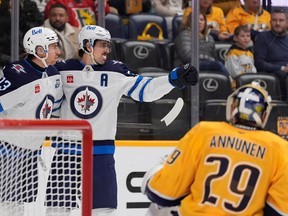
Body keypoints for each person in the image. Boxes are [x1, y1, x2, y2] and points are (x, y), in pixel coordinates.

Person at [55, 25, 198, 215]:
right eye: (102, 45)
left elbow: (145, 90)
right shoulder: (63, 70)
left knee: (103, 211)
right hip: (67, 152)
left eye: (108, 45)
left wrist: (172, 79)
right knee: (57, 210)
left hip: (101, 152)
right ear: (88, 45)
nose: (107, 49)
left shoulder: (115, 71)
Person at [142, 82, 288, 216]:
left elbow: (162, 194)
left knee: (155, 209)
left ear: (232, 107)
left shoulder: (205, 131)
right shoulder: (280, 147)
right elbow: (279, 212)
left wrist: (152, 178)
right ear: (264, 114)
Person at [0, 26, 62, 119]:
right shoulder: (16, 75)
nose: (58, 52)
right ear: (40, 50)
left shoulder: (53, 73)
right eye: (54, 47)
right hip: (14, 133)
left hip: (39, 132)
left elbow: (54, 108)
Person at [174, 11, 229, 76]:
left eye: (202, 20)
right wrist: (209, 60)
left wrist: (210, 60)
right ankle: (231, 83)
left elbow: (214, 57)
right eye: (196, 19)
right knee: (218, 65)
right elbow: (188, 57)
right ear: (190, 22)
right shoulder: (184, 35)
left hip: (206, 65)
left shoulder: (210, 38)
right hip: (186, 67)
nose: (199, 22)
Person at [254, 8, 288, 100]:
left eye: (281, 20)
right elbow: (259, 63)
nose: (277, 23)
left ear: (287, 23)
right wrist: (282, 68)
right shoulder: (263, 37)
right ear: (270, 22)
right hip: (273, 73)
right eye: (274, 20)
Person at [0, 0, 44, 67]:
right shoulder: (3, 5)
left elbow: (38, 22)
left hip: (26, 51)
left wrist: (22, 17)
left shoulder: (30, 5)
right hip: (6, 53)